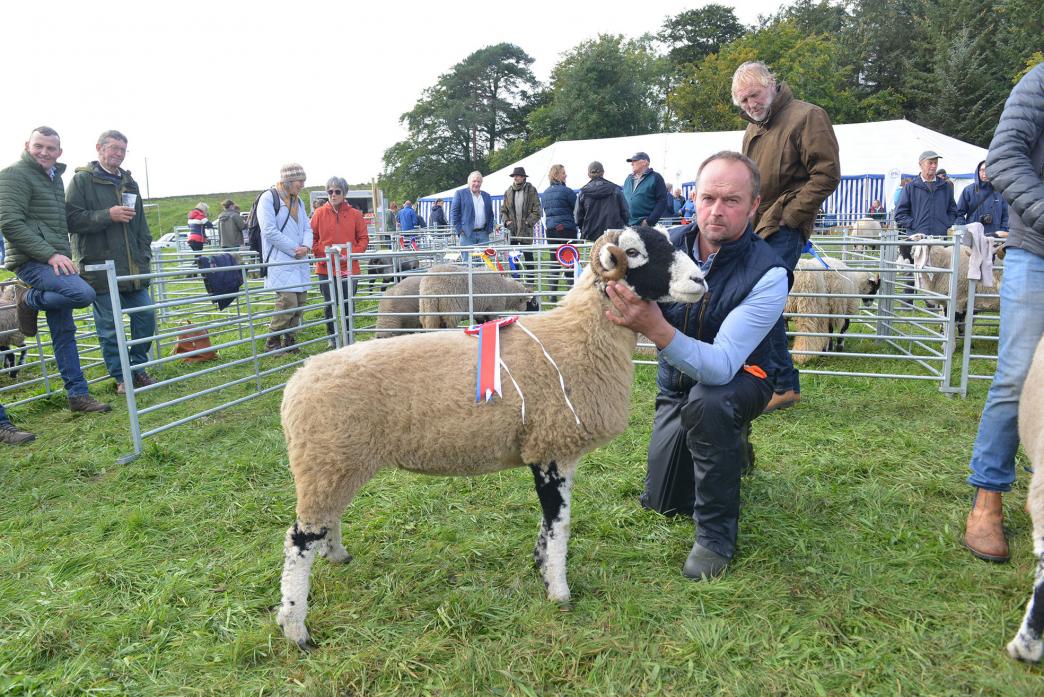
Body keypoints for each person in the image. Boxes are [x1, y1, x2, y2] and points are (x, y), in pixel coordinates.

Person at [605, 151, 789, 580]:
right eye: (707, 198)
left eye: (731, 200)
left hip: (743, 379)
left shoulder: (768, 273)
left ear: (755, 205)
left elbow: (724, 365)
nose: (716, 211)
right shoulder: (665, 245)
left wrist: (655, 328)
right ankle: (734, 447)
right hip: (678, 381)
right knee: (664, 501)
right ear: (693, 197)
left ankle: (715, 537)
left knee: (711, 404)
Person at [963, 62, 1044, 564]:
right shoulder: (1039, 82)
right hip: (1037, 251)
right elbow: (1005, 157)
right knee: (1017, 376)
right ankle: (987, 500)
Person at [733, 60, 840, 413]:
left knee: (762, 299)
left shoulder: (806, 116)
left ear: (771, 85)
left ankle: (781, 384)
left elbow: (826, 174)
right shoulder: (753, 130)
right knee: (757, 300)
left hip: (784, 225)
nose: (750, 104)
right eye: (743, 100)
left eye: (754, 95)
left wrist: (792, 217)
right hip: (757, 226)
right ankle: (778, 381)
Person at [0, 126, 110, 413]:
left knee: (64, 332)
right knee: (83, 294)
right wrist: (49, 255)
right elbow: (10, 222)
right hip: (33, 261)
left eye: (51, 148)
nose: (44, 152)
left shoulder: (53, 179)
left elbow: (56, 223)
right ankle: (29, 298)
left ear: (59, 152)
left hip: (56, 258)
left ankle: (78, 395)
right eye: (39, 146)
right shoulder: (13, 174)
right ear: (27, 145)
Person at [66, 129, 158, 396]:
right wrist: (108, 214)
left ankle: (137, 368)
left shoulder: (130, 182)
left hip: (132, 268)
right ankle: (121, 377)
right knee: (110, 326)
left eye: (122, 149)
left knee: (146, 315)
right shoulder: (82, 181)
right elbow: (72, 220)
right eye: (113, 148)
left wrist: (144, 253)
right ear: (99, 148)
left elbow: (141, 224)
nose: (118, 154)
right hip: (101, 267)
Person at [259, 163, 313, 352]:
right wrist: (294, 248)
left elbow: (307, 227)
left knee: (299, 301)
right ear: (289, 180)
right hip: (281, 259)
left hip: (299, 259)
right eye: (301, 181)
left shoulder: (298, 201)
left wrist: (306, 246)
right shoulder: (268, 198)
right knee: (288, 301)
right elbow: (269, 230)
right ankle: (272, 340)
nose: (303, 185)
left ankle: (290, 339)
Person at [311, 176, 369, 347]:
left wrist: (349, 254)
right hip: (325, 268)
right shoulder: (319, 213)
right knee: (330, 304)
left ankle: (349, 335)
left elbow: (364, 239)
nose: (333, 195)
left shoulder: (355, 215)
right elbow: (312, 238)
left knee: (347, 302)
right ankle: (332, 337)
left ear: (344, 193)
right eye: (330, 191)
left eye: (337, 191)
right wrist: (324, 253)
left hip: (349, 267)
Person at [894, 151, 957, 237]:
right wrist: (914, 225)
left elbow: (953, 210)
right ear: (920, 164)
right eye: (930, 163)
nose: (934, 166)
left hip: (939, 238)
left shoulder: (945, 186)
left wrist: (946, 223)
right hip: (917, 239)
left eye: (935, 163)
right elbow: (899, 213)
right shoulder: (910, 187)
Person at [575, 161, 629, 241]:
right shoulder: (615, 189)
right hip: (613, 234)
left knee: (592, 253)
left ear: (588, 174)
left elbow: (578, 217)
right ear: (603, 172)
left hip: (590, 235)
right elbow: (625, 212)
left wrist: (583, 228)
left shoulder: (582, 192)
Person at [957, 160, 1009, 237]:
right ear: (978, 171)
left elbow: (1006, 216)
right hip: (974, 237)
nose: (985, 173)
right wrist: (966, 230)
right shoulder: (969, 190)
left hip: (995, 239)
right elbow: (958, 213)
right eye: (982, 170)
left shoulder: (1000, 191)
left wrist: (1002, 232)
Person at [501, 167, 542, 258]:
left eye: (518, 176)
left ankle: (530, 272)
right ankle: (515, 273)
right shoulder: (508, 191)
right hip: (512, 230)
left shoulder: (531, 190)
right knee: (513, 259)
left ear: (523, 177)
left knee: (528, 258)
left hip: (526, 230)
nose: (515, 178)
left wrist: (528, 222)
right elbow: (503, 210)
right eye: (514, 176)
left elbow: (537, 210)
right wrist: (506, 221)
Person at [622, 152, 668, 227]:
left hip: (644, 225)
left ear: (645, 162)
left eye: (635, 161)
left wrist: (649, 221)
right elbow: (622, 200)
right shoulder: (628, 178)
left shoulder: (656, 177)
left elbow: (662, 201)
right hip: (627, 225)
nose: (632, 164)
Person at [451, 171, 494, 246]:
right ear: (469, 182)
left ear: (481, 183)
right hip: (466, 234)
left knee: (484, 257)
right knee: (467, 258)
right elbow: (454, 213)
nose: (476, 184)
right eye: (474, 181)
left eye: (479, 181)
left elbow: (490, 214)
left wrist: (489, 228)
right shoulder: (460, 194)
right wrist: (459, 230)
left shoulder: (487, 196)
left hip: (483, 234)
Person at [542, 164, 577, 244]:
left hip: (551, 231)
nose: (566, 175)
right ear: (556, 175)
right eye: (563, 173)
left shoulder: (545, 193)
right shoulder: (567, 191)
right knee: (569, 255)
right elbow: (577, 209)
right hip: (566, 230)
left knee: (554, 256)